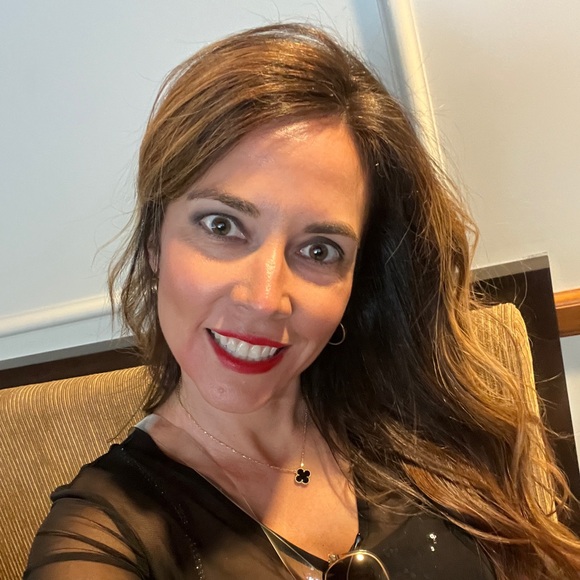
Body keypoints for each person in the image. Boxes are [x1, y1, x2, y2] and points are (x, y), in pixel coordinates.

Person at [25, 23, 580, 579]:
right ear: (155, 242)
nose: (265, 299)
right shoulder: (103, 535)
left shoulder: (418, 417)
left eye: (319, 250)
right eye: (222, 225)